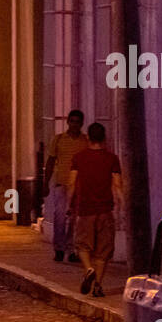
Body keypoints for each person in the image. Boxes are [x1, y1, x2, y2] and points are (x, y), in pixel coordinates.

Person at [68, 121, 122, 298]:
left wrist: (70, 204)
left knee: (83, 245)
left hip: (85, 209)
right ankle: (98, 285)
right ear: (104, 138)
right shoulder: (112, 159)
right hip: (105, 209)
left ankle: (88, 269)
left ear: (88, 137)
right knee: (103, 250)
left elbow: (71, 183)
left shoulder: (79, 158)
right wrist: (122, 207)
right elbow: (117, 185)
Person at [43, 109, 89, 263]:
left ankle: (71, 249)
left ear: (81, 123)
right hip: (61, 183)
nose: (74, 124)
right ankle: (59, 248)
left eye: (78, 122)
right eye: (72, 121)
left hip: (79, 185)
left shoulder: (85, 141)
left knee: (75, 219)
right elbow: (50, 161)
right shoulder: (58, 139)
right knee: (60, 217)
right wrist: (45, 182)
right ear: (68, 122)